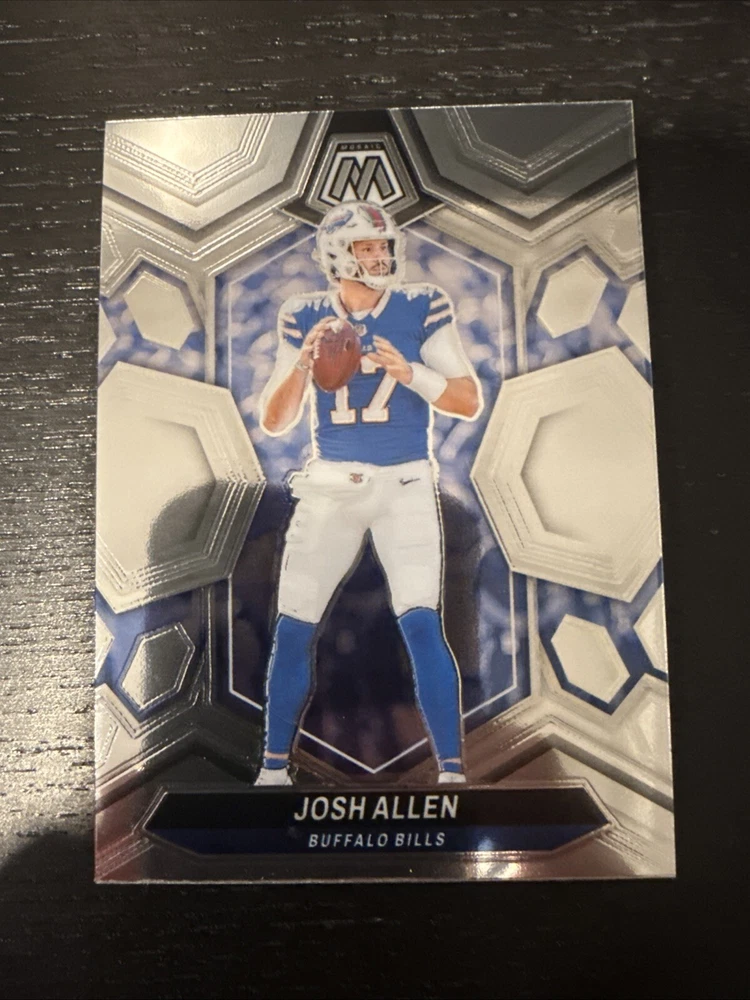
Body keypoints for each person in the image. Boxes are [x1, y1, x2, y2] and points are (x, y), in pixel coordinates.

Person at [255, 200, 482, 786]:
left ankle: (452, 773)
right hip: (332, 485)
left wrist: (412, 374)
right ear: (337, 255)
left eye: (383, 247)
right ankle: (273, 771)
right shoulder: (303, 315)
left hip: (405, 483)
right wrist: (302, 365)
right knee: (294, 626)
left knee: (423, 624)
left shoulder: (421, 304)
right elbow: (275, 421)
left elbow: (466, 400)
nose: (380, 257)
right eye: (367, 248)